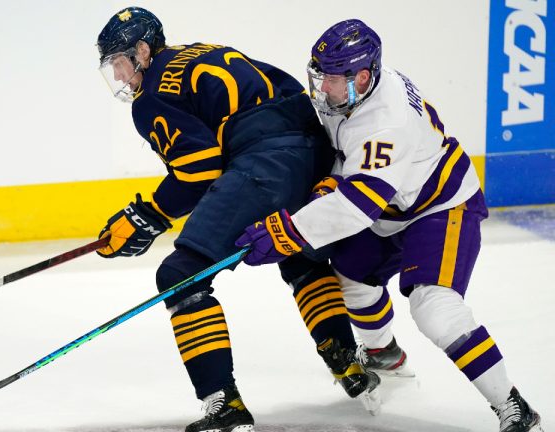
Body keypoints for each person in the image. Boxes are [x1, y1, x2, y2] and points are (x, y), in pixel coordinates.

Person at [236, 19, 543, 432]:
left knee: (435, 309)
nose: (321, 88)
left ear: (362, 76)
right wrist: (332, 175)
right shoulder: (352, 96)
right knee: (351, 280)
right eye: (320, 75)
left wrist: (285, 232)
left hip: (440, 206)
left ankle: (514, 407)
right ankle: (384, 356)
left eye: (329, 78)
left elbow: (357, 205)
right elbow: (350, 157)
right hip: (392, 204)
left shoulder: (386, 121)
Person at [95, 7, 380, 432]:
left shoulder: (150, 96)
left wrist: (149, 215)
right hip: (315, 150)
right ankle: (348, 364)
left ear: (142, 50)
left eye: (119, 63)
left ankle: (224, 406)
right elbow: (279, 86)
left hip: (267, 159)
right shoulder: (195, 52)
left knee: (180, 275)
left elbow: (200, 169)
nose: (118, 76)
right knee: (297, 251)